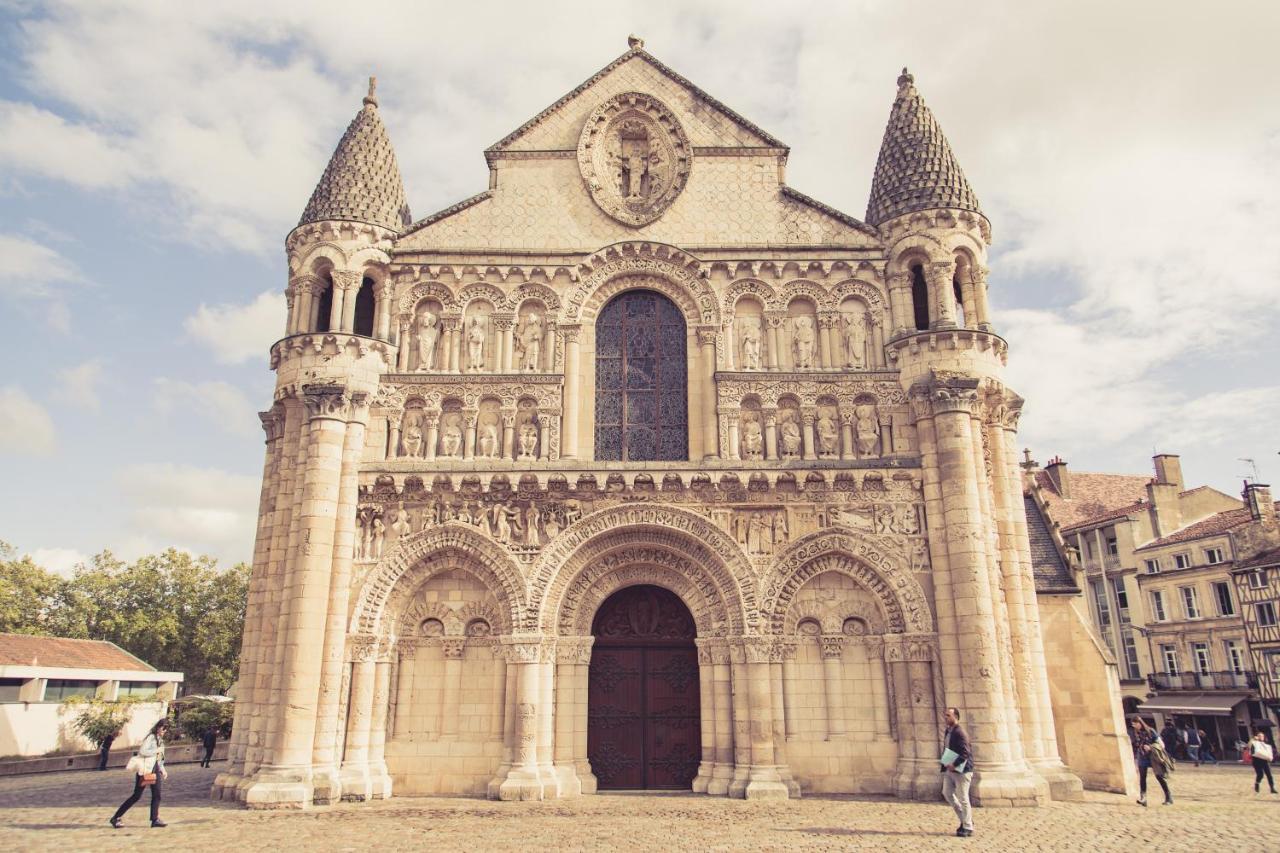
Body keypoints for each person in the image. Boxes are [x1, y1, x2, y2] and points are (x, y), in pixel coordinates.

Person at [110, 718, 169, 828]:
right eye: (163, 727)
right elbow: (143, 751)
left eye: (166, 729)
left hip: (154, 767)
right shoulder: (151, 737)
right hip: (145, 768)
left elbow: (160, 757)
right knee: (136, 795)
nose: (164, 730)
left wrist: (163, 769)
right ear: (158, 727)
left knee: (157, 794)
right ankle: (115, 817)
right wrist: (155, 750)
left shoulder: (160, 740)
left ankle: (155, 819)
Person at [940, 706, 974, 838]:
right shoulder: (948, 731)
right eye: (945, 715)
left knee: (963, 797)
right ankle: (966, 819)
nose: (946, 717)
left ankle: (968, 826)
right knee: (947, 793)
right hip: (950, 769)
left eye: (948, 715)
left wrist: (954, 764)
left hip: (962, 770)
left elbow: (966, 753)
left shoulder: (960, 732)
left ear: (956, 717)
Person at [1130, 717, 1173, 806]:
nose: (1134, 727)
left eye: (1135, 724)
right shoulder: (1136, 733)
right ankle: (1143, 798)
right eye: (1133, 725)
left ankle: (1169, 797)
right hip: (1142, 757)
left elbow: (1161, 744)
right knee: (1142, 778)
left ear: (1140, 723)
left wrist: (1150, 747)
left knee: (1159, 777)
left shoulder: (1150, 731)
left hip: (1153, 757)